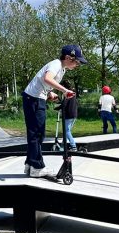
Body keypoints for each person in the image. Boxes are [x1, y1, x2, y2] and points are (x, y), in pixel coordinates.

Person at [23, 45, 87, 178]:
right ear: (69, 58)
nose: (78, 64)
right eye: (77, 61)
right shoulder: (56, 64)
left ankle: (30, 164)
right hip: (34, 99)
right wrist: (64, 90)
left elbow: (44, 83)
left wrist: (50, 93)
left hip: (35, 97)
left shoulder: (61, 69)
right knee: (37, 133)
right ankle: (36, 167)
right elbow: (47, 78)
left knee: (36, 133)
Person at [60, 79, 78, 150]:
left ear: (63, 86)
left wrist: (59, 107)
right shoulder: (73, 92)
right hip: (74, 114)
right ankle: (62, 146)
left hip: (68, 114)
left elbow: (64, 104)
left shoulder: (67, 93)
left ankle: (73, 146)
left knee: (66, 131)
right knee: (67, 131)